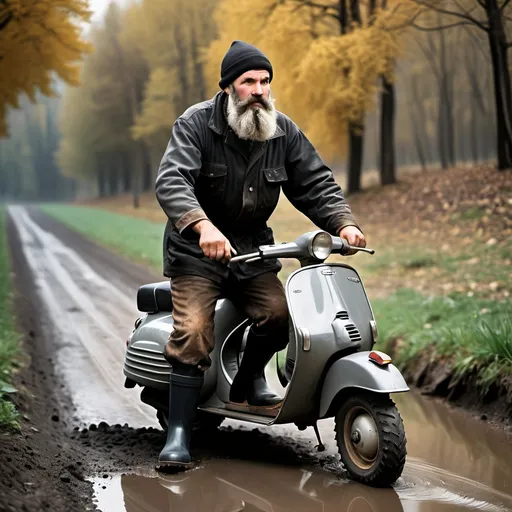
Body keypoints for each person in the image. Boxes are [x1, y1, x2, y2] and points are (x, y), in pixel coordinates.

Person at [154, 40, 366, 466]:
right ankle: (179, 433)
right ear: (229, 88)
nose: (259, 90)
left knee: (280, 314)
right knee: (194, 330)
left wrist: (343, 222)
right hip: (197, 252)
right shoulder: (196, 123)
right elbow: (171, 179)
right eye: (248, 81)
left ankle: (249, 377)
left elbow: (314, 182)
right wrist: (203, 226)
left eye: (265, 81)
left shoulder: (280, 129)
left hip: (251, 250)